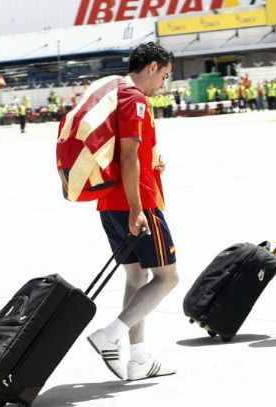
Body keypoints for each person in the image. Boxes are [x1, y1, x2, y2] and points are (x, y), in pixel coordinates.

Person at [87, 42, 179, 381]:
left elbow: (129, 155)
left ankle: (138, 357)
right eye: (165, 76)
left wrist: (153, 163)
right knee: (168, 278)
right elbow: (127, 157)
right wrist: (138, 209)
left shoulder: (115, 93)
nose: (163, 86)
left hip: (110, 203)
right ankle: (111, 335)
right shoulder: (135, 101)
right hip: (136, 204)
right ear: (152, 67)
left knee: (136, 276)